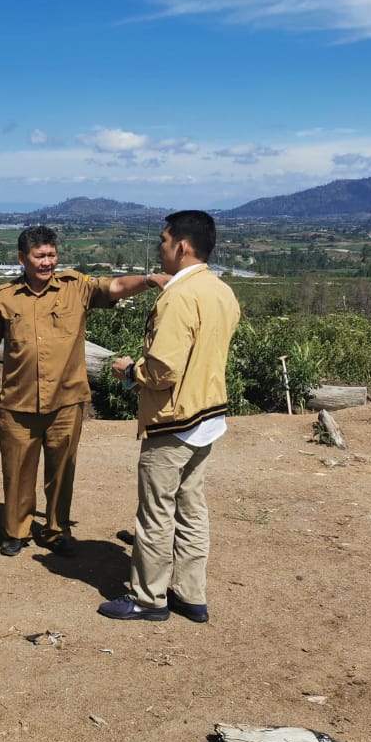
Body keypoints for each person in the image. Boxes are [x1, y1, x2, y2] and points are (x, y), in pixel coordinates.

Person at [0, 225, 167, 558]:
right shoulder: (5, 297)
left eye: (51, 254)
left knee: (62, 471)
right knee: (17, 470)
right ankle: (16, 530)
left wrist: (149, 280)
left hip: (66, 401)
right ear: (22, 258)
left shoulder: (75, 287)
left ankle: (56, 530)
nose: (47, 262)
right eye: (39, 256)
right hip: (18, 401)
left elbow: (116, 287)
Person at [98, 211, 240, 622]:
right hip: (208, 415)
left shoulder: (178, 297)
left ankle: (148, 597)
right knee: (192, 508)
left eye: (163, 240)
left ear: (181, 245)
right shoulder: (221, 291)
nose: (160, 247)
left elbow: (162, 371)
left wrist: (129, 370)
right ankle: (190, 593)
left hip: (173, 420)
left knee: (156, 513)